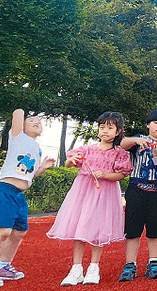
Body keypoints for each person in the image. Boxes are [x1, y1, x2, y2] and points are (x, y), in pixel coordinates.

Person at [46, 111, 133, 286]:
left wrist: (106, 175)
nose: (105, 131)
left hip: (104, 193)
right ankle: (76, 268)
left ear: (118, 131)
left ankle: (94, 267)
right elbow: (69, 162)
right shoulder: (87, 149)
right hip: (83, 192)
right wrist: (72, 160)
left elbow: (122, 175)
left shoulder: (119, 152)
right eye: (102, 127)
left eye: (110, 128)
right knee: (79, 228)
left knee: (97, 230)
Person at [0, 109, 55, 288]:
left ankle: (3, 267)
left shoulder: (37, 148)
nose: (37, 122)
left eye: (39, 122)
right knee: (3, 231)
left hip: (19, 195)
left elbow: (28, 175)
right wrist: (22, 110)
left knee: (19, 232)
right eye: (32, 120)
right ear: (22, 127)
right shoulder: (17, 137)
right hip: (4, 191)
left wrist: (42, 168)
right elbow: (18, 113)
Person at [118, 109, 157, 282]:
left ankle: (153, 262)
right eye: (155, 122)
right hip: (137, 190)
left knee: (155, 230)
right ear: (148, 125)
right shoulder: (139, 140)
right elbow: (123, 144)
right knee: (132, 230)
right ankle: (130, 264)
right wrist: (135, 139)